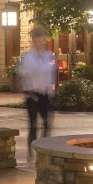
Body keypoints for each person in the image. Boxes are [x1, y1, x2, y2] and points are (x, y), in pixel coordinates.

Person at [18, 27, 57, 159]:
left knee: (46, 124)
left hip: (45, 94)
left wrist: (52, 90)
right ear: (33, 42)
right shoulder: (28, 57)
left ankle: (43, 149)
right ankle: (30, 152)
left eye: (42, 40)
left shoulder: (49, 56)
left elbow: (52, 75)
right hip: (32, 95)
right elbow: (24, 75)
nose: (40, 43)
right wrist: (27, 91)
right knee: (33, 125)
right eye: (37, 41)